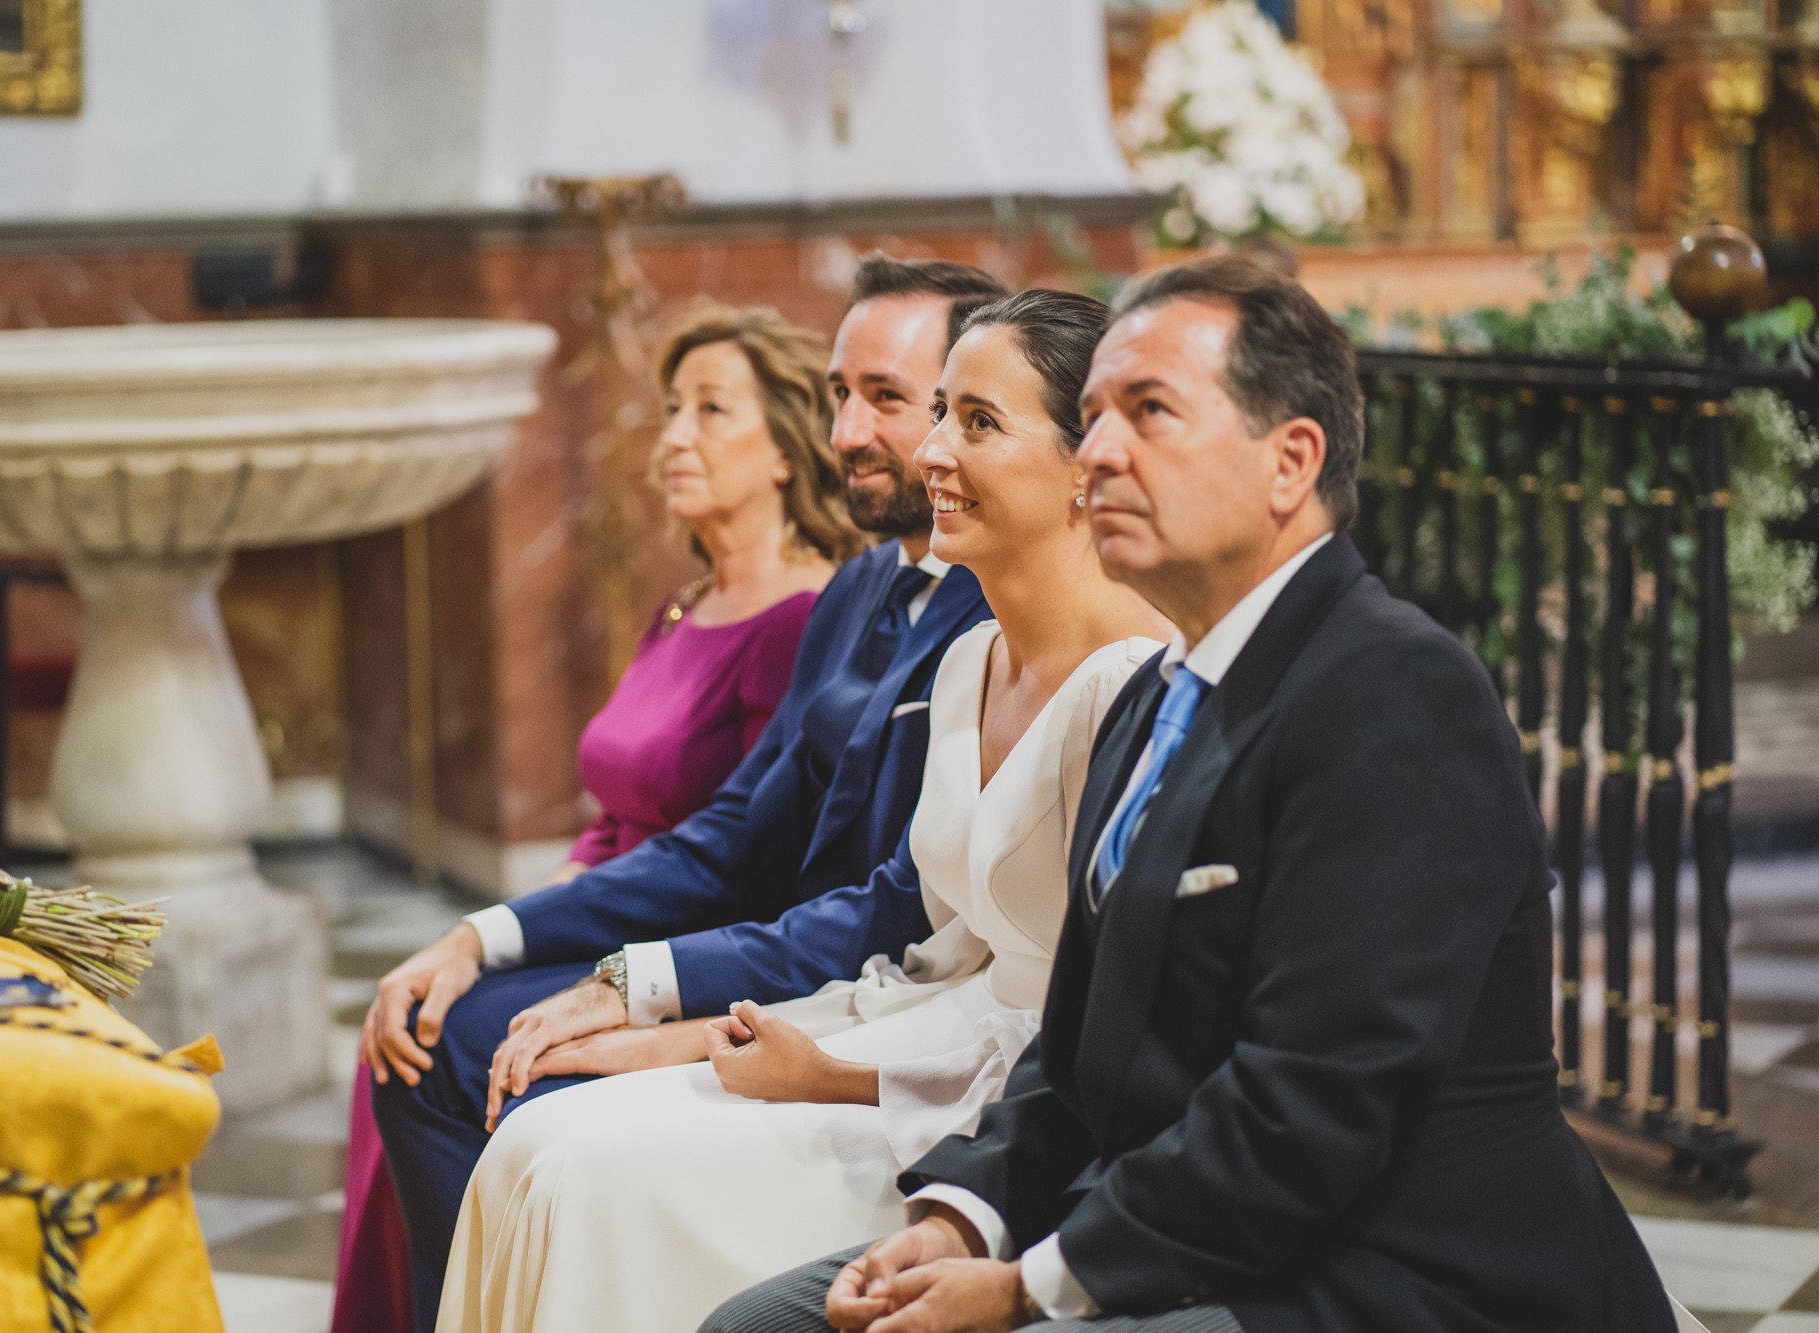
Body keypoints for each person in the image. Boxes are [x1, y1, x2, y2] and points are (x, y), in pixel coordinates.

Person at [705, 257, 1679, 1333]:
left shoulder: (1394, 692)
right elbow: (1074, 1053)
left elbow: (1312, 1104)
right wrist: (958, 1220)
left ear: (1288, 461)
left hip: (1388, 1273)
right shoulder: (1156, 695)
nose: (1101, 451)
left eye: (1148, 411)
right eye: (1090, 415)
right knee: (760, 1326)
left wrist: (1031, 1285)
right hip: (1184, 1233)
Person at [434, 290, 1174, 1333]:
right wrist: (697, 1030)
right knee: (529, 1146)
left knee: (578, 1174)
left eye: (978, 423)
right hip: (896, 1029)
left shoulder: (1131, 684)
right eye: (941, 416)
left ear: (1079, 463)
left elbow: (1090, 1024)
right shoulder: (966, 661)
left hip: (981, 1108)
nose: (932, 455)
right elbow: (924, 939)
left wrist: (829, 1075)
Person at [360, 254, 1007, 1329]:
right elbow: (728, 832)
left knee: (486, 1073)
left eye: (886, 400)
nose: (845, 431)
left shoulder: (993, 612)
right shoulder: (860, 586)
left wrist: (656, 999)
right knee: (438, 1023)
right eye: (840, 394)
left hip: (852, 996)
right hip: (779, 956)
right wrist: (488, 934)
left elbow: (897, 909)